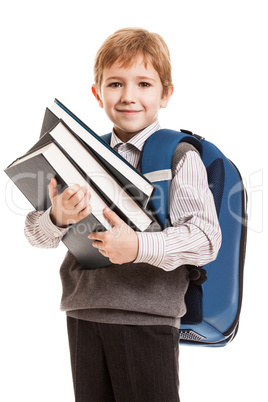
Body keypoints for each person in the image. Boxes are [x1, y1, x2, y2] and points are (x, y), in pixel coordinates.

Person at [25, 27, 222, 402]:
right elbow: (34, 233)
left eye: (144, 84)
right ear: (98, 93)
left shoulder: (180, 156)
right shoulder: (78, 154)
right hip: (84, 312)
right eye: (115, 84)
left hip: (145, 317)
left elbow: (205, 238)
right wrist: (57, 218)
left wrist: (137, 246)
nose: (129, 96)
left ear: (166, 93)